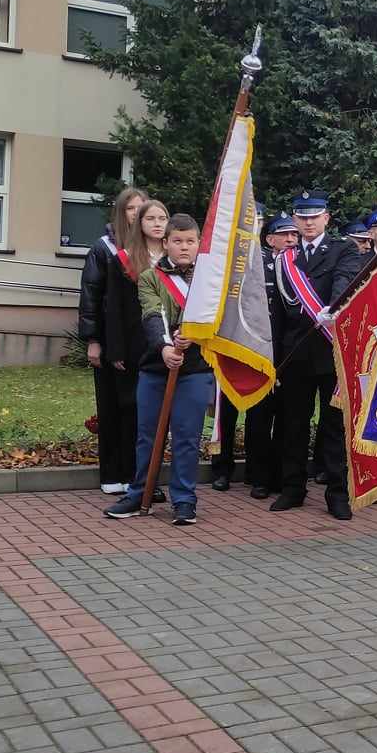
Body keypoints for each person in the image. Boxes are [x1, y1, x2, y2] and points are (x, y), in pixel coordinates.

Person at [105, 214, 214, 525]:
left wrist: (197, 336)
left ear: (199, 244)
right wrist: (165, 347)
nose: (184, 247)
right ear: (165, 243)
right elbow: (152, 314)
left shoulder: (210, 280)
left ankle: (184, 499)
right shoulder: (150, 277)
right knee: (147, 436)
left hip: (195, 369)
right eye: (177, 241)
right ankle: (141, 492)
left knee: (186, 437)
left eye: (190, 241)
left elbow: (217, 319)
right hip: (156, 366)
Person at [271, 190, 363, 519]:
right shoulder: (285, 259)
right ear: (295, 220)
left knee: (333, 426)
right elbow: (278, 313)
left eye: (314, 216)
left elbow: (345, 280)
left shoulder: (343, 249)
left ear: (326, 218)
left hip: (331, 350)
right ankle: (292, 489)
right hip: (295, 353)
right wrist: (275, 359)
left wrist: (332, 308)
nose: (308, 223)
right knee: (293, 424)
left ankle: (337, 494)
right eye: (302, 217)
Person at [79, 186, 148, 495]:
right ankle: (111, 474)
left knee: (137, 409)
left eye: (141, 208)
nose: (136, 213)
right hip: (110, 339)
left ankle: (134, 473)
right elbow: (90, 296)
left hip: (142, 341)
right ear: (121, 213)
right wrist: (93, 340)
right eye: (131, 208)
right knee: (111, 408)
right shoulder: (104, 248)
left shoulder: (152, 249)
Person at [101, 195, 167, 499]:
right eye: (150, 218)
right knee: (133, 413)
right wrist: (115, 349)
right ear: (139, 223)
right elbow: (113, 308)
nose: (157, 224)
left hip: (167, 347)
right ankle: (131, 477)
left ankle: (151, 479)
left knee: (160, 418)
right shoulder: (124, 259)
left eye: (162, 218)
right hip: (133, 346)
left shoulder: (174, 258)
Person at [237, 214, 295, 499]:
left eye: (294, 235)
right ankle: (258, 476)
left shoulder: (301, 266)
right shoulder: (257, 266)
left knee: (287, 417)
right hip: (261, 350)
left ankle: (280, 475)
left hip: (291, 353)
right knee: (259, 417)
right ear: (270, 239)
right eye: (284, 235)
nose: (290, 239)